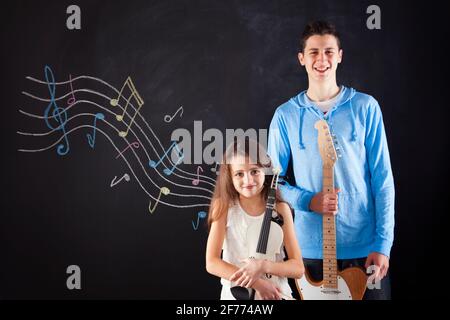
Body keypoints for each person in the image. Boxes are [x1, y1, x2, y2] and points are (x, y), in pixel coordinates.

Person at [267, 21, 395, 299]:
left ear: (340, 56)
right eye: (313, 52)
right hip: (307, 254)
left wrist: (383, 244)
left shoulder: (366, 107)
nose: (321, 59)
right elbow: (271, 182)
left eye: (328, 51)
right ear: (302, 59)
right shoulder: (285, 115)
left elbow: (383, 181)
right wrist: (307, 201)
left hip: (364, 250)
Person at [205, 138, 304, 300]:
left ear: (265, 171)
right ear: (229, 177)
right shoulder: (223, 207)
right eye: (239, 174)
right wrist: (257, 283)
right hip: (237, 296)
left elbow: (298, 268)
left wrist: (264, 265)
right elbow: (212, 262)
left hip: (276, 293)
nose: (248, 180)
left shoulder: (280, 209)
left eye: (254, 171)